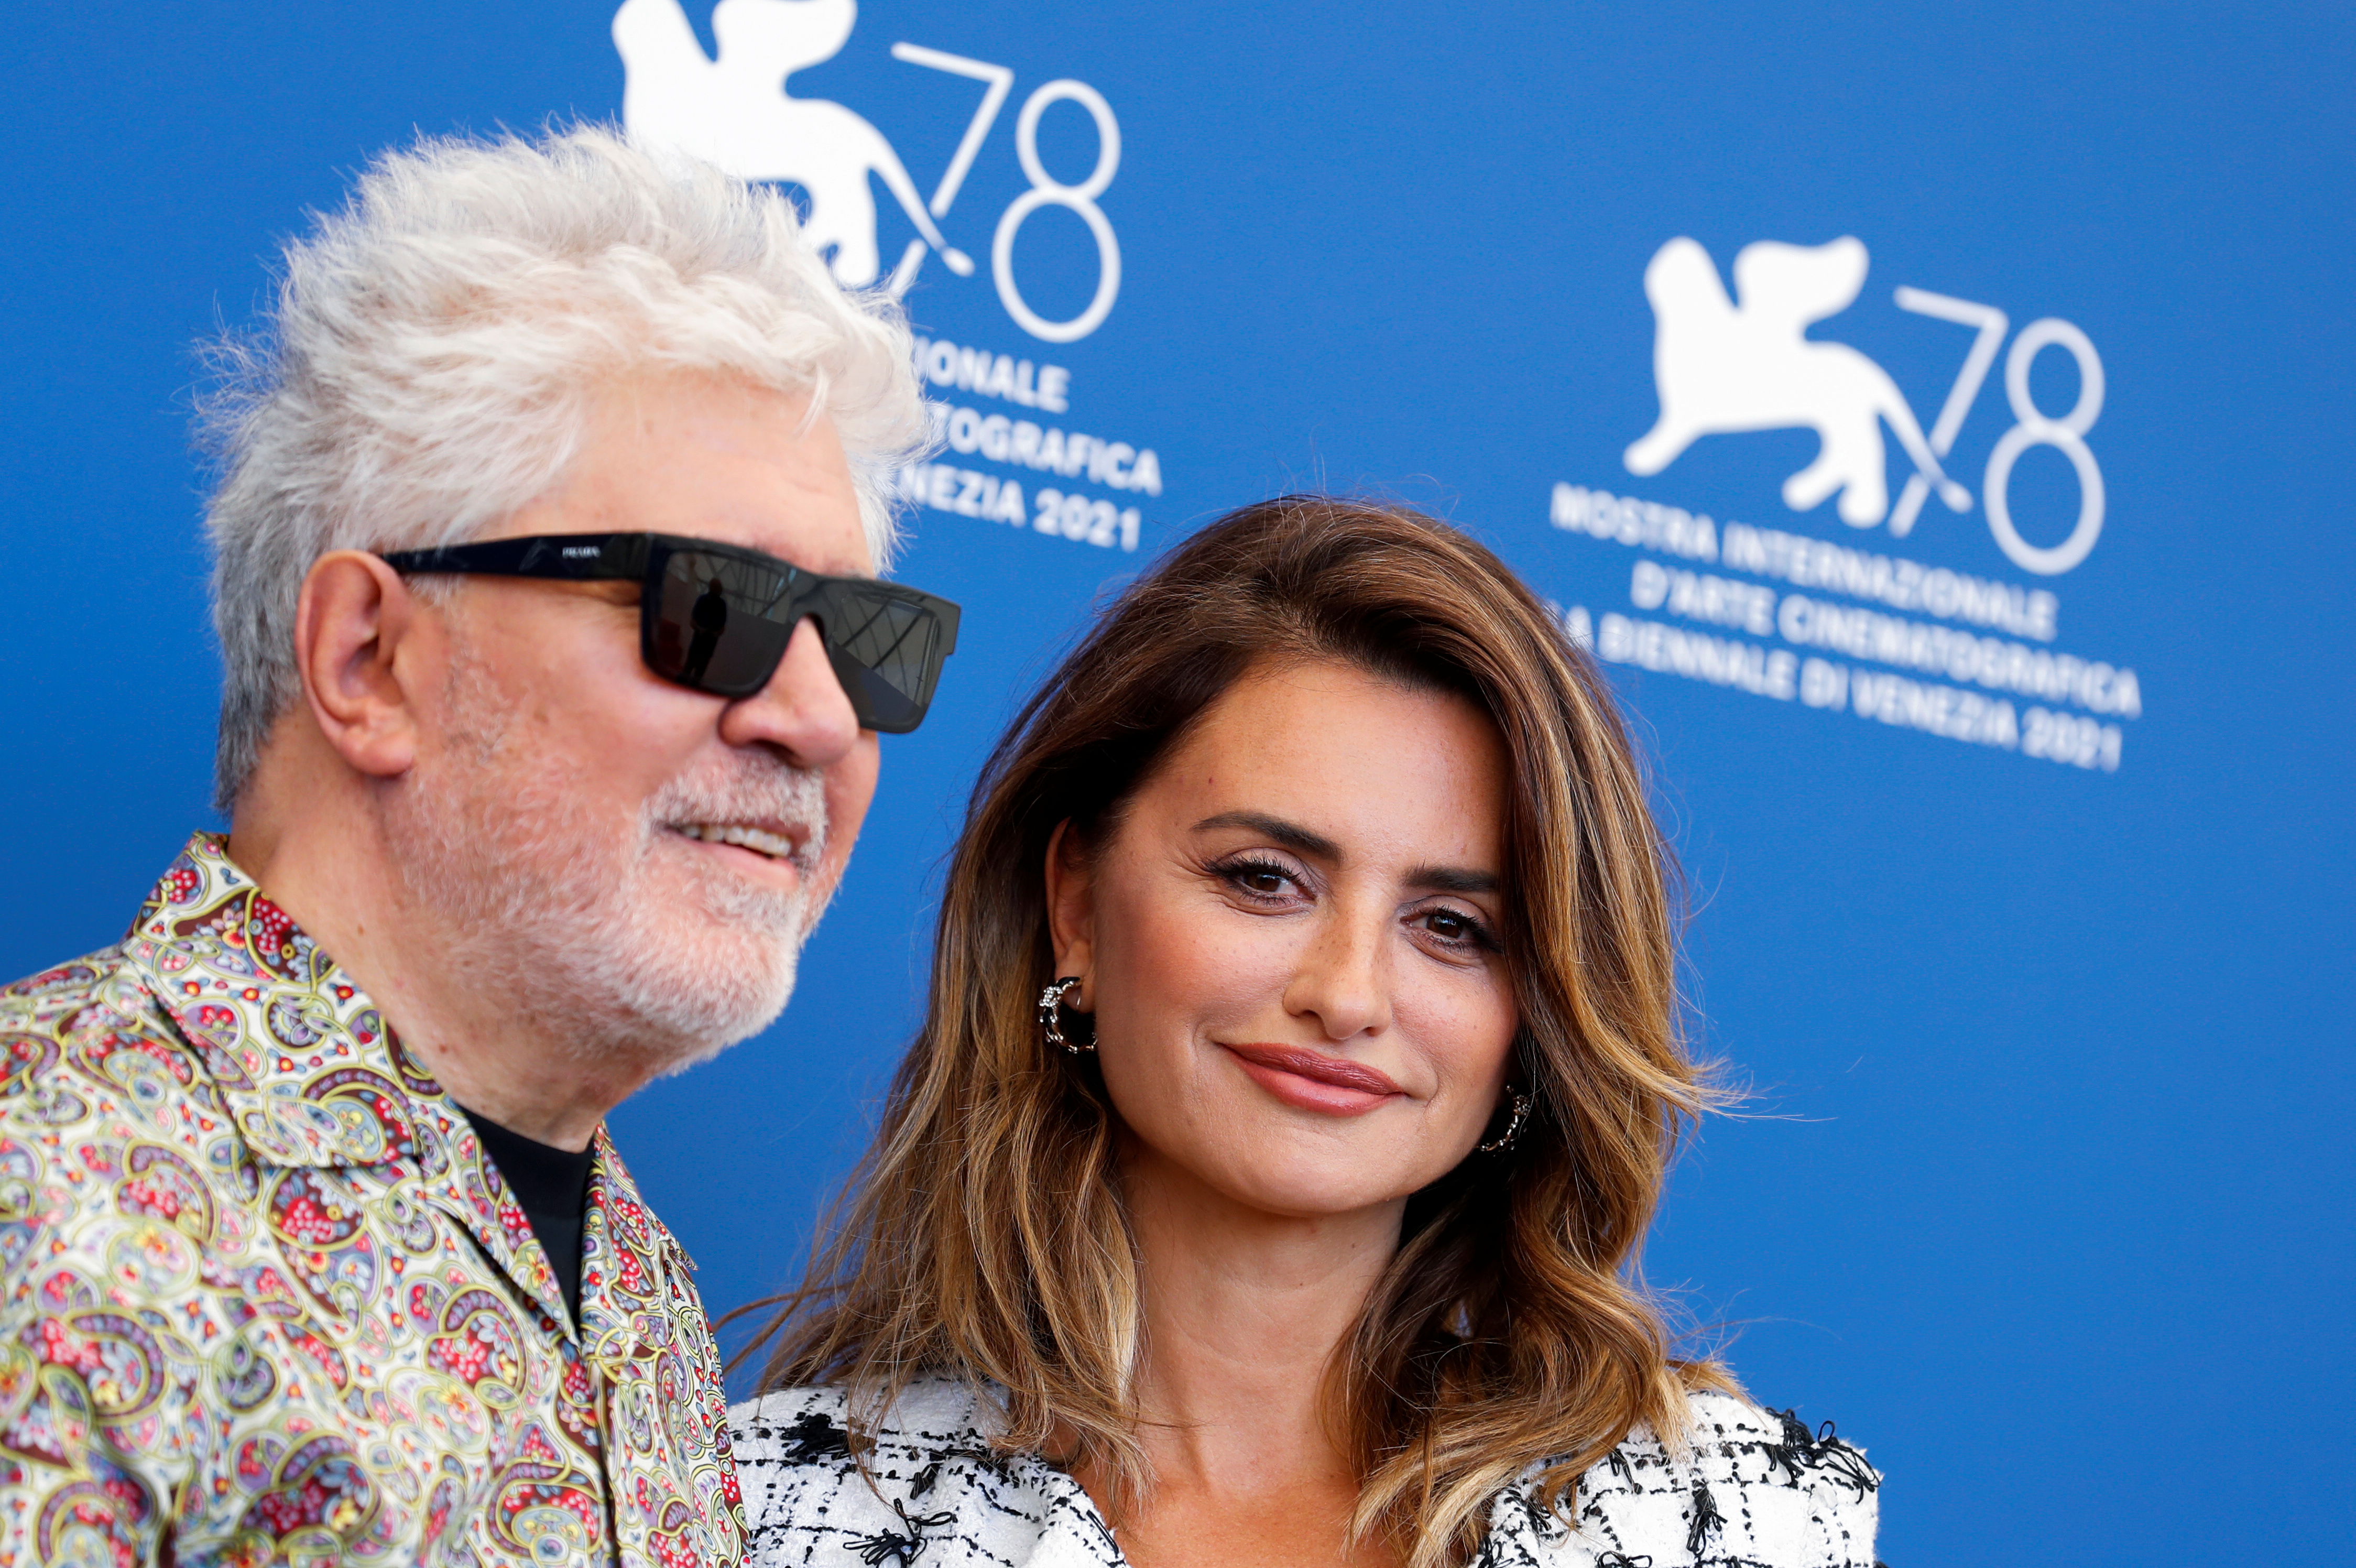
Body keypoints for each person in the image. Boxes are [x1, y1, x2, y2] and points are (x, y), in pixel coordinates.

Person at [0, 125, 959, 1567]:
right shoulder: (47, 1189)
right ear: (369, 659)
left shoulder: (637, 1288)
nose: (820, 718)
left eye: (867, 637)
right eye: (710, 609)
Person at [727, 498, 1879, 1568]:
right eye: (1263, 877)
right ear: (1076, 904)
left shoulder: (1726, 1520)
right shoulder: (764, 1511)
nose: (1349, 992)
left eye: (1452, 926)